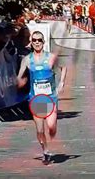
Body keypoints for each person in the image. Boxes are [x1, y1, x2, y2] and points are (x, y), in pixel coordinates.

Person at [17, 31, 67, 165]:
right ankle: (45, 151)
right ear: (31, 42)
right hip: (36, 99)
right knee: (40, 130)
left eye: (39, 40)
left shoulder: (50, 57)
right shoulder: (27, 59)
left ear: (43, 42)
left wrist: (61, 83)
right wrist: (19, 82)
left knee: (51, 127)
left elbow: (63, 67)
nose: (37, 42)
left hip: (50, 97)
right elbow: (19, 76)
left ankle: (51, 134)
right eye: (34, 40)